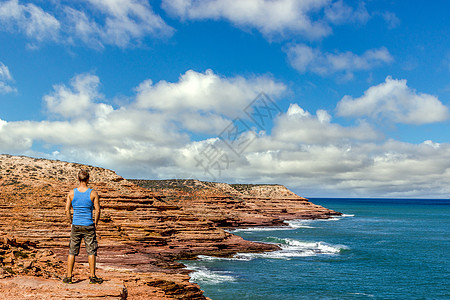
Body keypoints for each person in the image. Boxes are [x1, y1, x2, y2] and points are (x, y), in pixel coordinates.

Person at [63, 169, 103, 284]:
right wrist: (96, 223)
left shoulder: (71, 193)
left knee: (72, 251)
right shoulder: (93, 193)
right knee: (91, 251)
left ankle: (69, 277)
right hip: (88, 225)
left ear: (78, 179)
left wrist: (71, 221)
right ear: (88, 179)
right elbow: (98, 210)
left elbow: (67, 210)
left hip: (76, 225)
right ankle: (92, 277)